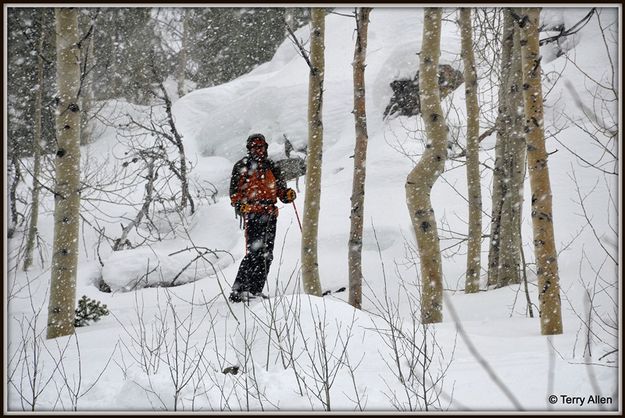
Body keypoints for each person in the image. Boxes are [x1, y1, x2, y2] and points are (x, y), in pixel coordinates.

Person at [229, 133, 297, 302]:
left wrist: (287, 195)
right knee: (254, 252)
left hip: (269, 215)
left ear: (265, 148)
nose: (258, 150)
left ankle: (255, 290)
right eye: (254, 147)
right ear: (249, 149)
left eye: (260, 147)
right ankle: (239, 290)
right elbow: (234, 193)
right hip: (252, 213)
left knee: (267, 254)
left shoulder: (271, 166)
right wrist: (240, 205)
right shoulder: (241, 167)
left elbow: (281, 190)